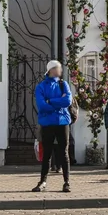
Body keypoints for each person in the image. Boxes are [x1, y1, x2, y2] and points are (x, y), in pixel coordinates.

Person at [32, 60, 72, 193]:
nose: (61, 70)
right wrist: (58, 102)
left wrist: (51, 101)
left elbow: (68, 101)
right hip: (48, 122)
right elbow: (42, 105)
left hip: (62, 121)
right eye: (59, 68)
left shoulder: (63, 84)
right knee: (47, 153)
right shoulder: (41, 86)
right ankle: (43, 181)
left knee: (64, 152)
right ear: (52, 70)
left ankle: (67, 182)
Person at [52, 94, 79, 172]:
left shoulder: (66, 98)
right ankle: (58, 165)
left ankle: (61, 164)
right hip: (59, 122)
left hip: (64, 122)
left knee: (64, 143)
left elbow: (73, 109)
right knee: (59, 144)